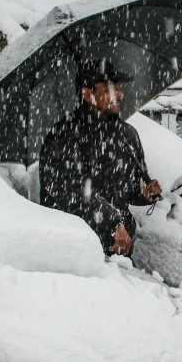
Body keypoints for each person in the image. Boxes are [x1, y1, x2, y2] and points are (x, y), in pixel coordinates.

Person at [39, 61, 162, 256]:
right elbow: (65, 193)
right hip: (78, 254)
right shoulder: (63, 136)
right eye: (110, 88)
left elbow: (126, 190)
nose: (120, 94)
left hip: (121, 252)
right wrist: (112, 222)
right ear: (87, 94)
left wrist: (144, 194)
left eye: (119, 87)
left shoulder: (127, 135)